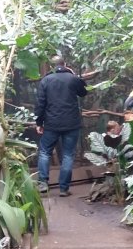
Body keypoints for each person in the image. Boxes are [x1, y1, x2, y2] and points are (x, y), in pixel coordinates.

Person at [35, 56, 97, 197]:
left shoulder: (46, 80)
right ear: (65, 64)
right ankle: (63, 189)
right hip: (72, 124)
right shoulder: (72, 78)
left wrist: (39, 122)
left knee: (45, 152)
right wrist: (74, 75)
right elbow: (83, 92)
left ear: (51, 66)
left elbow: (40, 103)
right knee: (68, 155)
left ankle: (43, 183)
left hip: (51, 124)